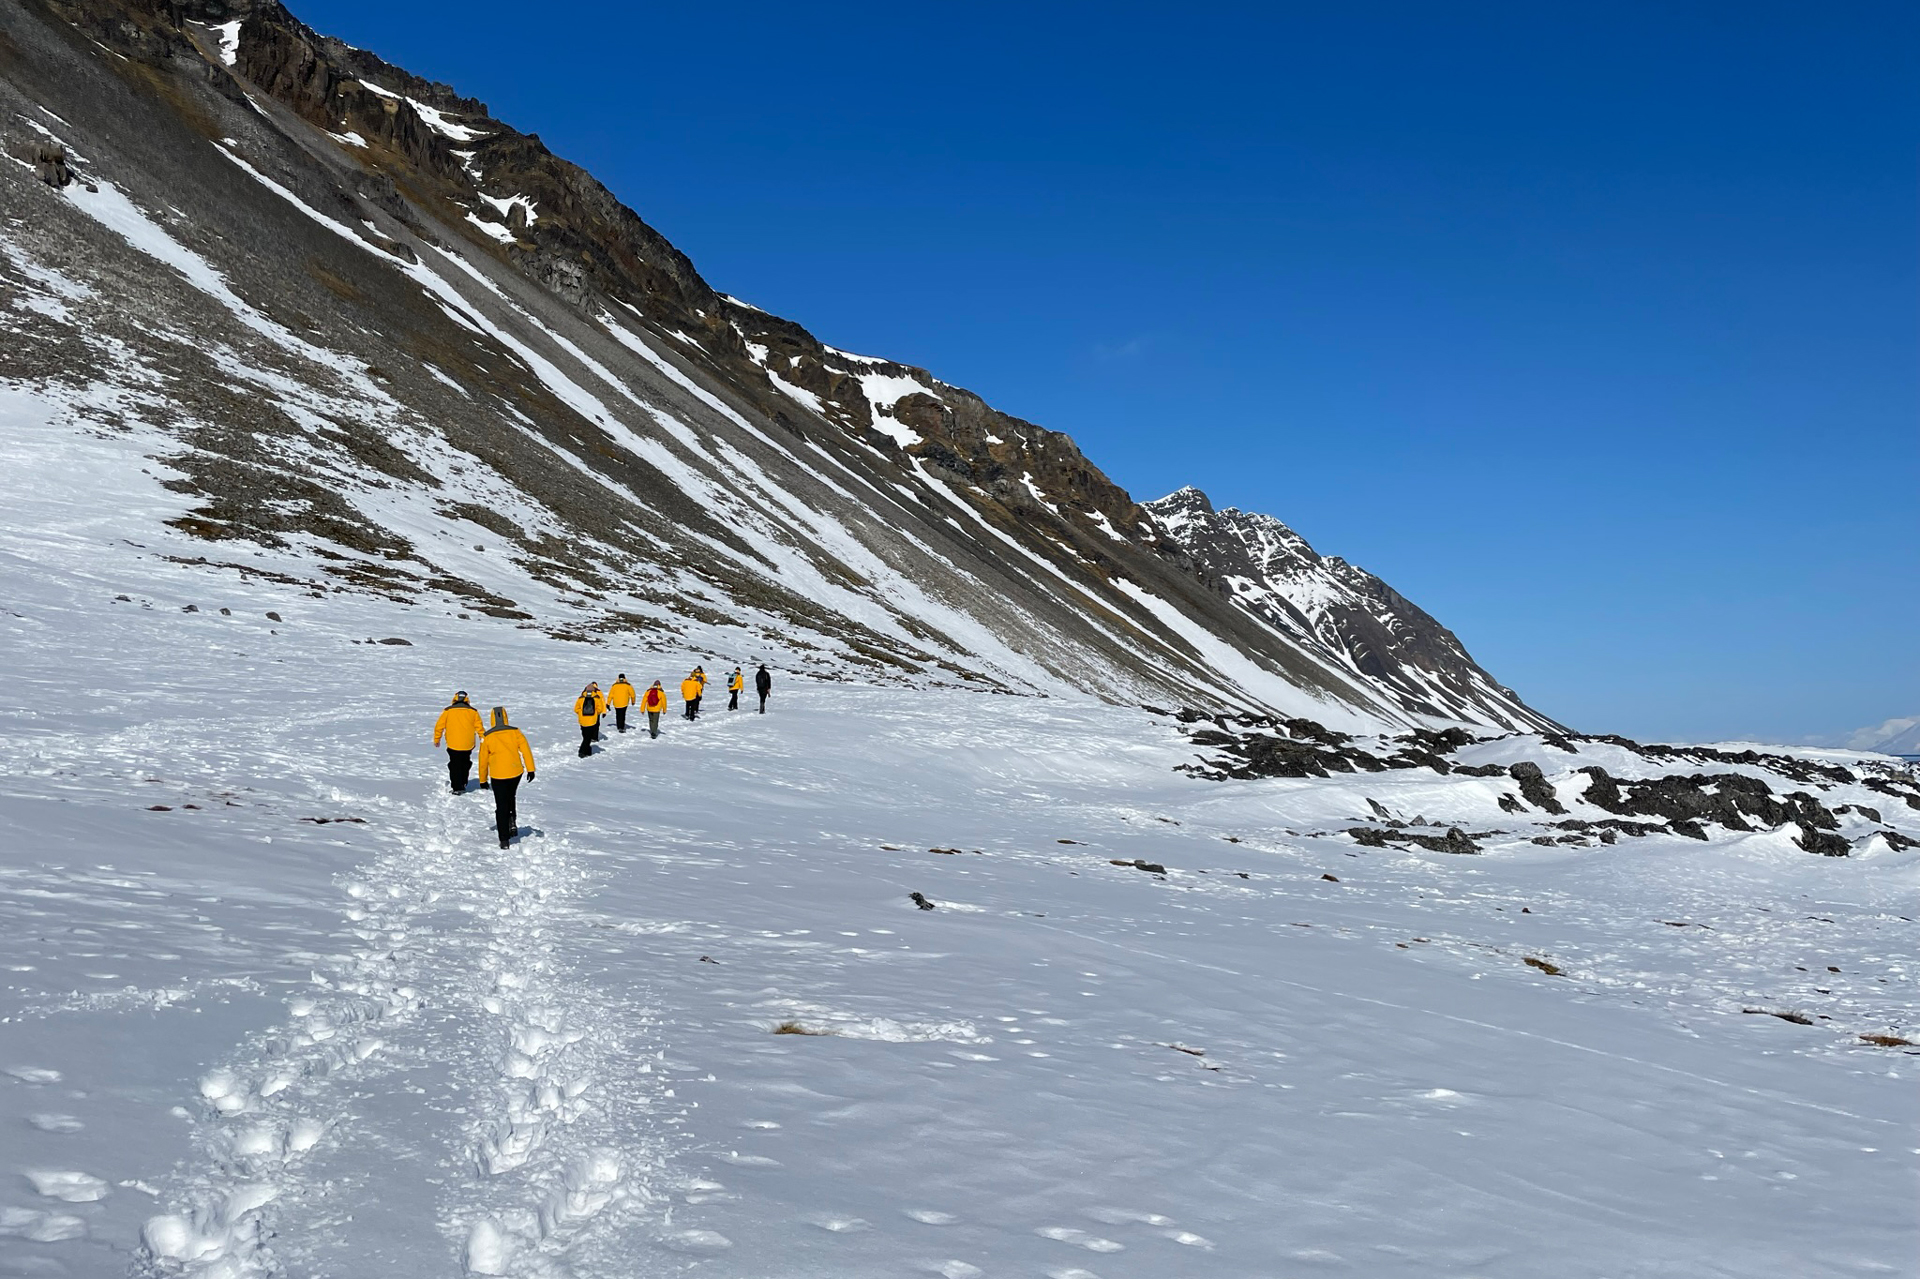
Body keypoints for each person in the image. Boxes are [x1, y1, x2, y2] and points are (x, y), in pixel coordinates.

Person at [476, 707, 534, 849]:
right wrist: (531, 769)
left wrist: (482, 780)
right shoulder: (515, 732)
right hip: (515, 772)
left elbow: (483, 760)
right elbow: (526, 750)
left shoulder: (488, 736)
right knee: (510, 796)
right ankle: (512, 821)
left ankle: (504, 839)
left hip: (498, 775)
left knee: (501, 805)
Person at [432, 691, 485, 794]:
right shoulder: (473, 712)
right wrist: (483, 739)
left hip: (453, 744)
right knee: (465, 763)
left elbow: (439, 726)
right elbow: (480, 728)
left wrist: (437, 739)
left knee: (455, 765)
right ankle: (463, 783)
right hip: (467, 744)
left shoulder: (448, 711)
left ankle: (457, 787)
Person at [575, 683, 606, 757]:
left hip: (582, 720)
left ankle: (588, 750)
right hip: (592, 720)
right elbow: (600, 709)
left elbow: (576, 709)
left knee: (585, 736)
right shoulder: (596, 698)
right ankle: (582, 751)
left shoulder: (580, 698)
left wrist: (581, 713)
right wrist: (595, 714)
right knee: (587, 738)